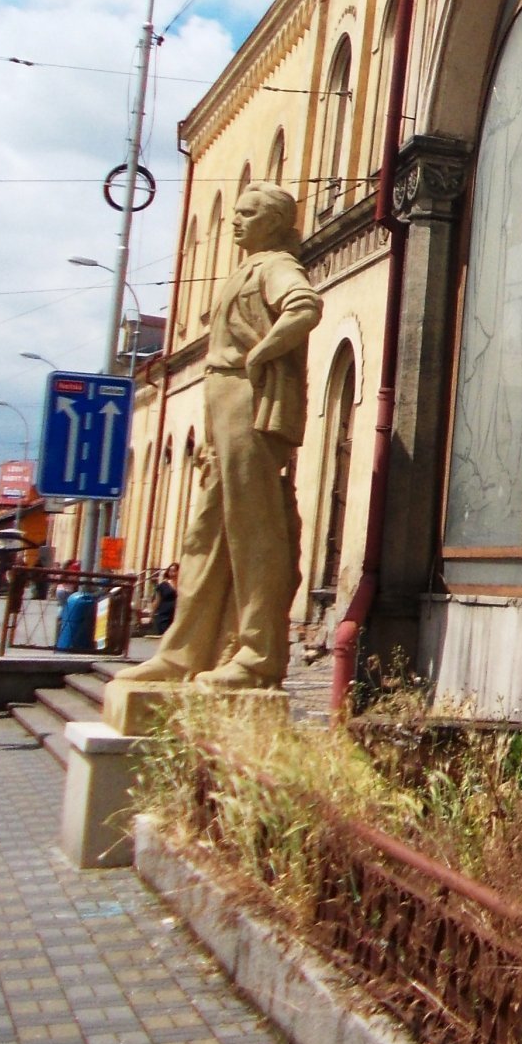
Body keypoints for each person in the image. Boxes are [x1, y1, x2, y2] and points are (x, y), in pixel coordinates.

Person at [117, 184, 321, 689]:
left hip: (247, 398)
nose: (235, 221)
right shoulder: (245, 268)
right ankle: (184, 651)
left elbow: (304, 307)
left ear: (272, 223)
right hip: (222, 400)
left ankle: (257, 655)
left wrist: (259, 354)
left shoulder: (275, 265)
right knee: (205, 534)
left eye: (247, 214)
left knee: (254, 530)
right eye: (235, 213)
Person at [147, 564, 178, 636]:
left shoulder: (181, 585)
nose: (172, 573)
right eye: (170, 570)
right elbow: (157, 600)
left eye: (174, 571)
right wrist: (151, 615)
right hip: (164, 615)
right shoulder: (163, 585)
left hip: (175, 615)